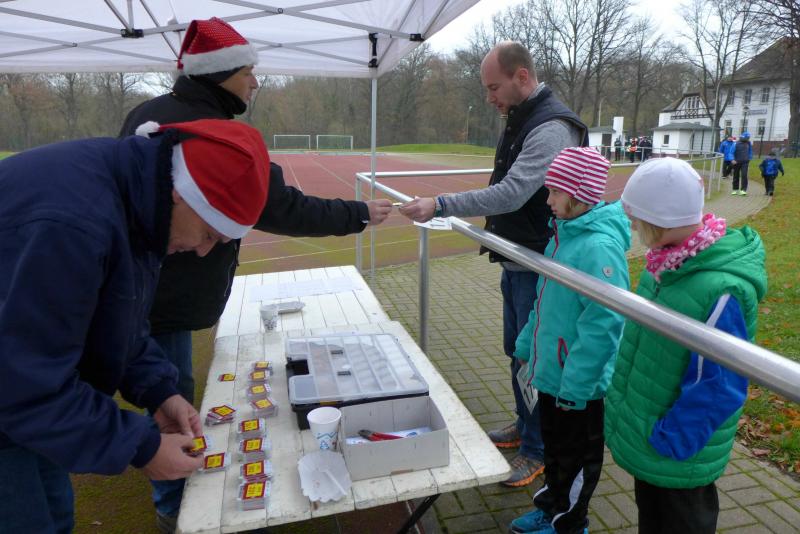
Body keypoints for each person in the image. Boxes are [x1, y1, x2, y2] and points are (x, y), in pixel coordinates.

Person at [119, 18, 392, 528]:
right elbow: (280, 206)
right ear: (221, 74)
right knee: (169, 394)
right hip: (169, 298)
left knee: (161, 386)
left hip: (141, 291)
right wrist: (357, 213)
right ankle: (178, 507)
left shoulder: (146, 113)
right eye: (248, 72)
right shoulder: (222, 135)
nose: (256, 82)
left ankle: (173, 490)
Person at [0, 118, 270, 533]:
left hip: (21, 402)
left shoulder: (141, 201)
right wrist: (142, 447)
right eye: (209, 235)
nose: (202, 251)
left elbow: (118, 320)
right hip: (12, 400)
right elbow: (25, 382)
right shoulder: (74, 224)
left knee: (54, 514)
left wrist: (159, 391)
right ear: (183, 195)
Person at [399, 41, 587, 487]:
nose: (489, 98)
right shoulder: (523, 116)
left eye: (493, 87)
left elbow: (513, 192)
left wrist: (442, 204)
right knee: (516, 351)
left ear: (521, 77)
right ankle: (526, 424)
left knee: (534, 359)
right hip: (517, 259)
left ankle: (537, 449)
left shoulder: (551, 127)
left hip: (539, 265)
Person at [605, 158, 767, 533]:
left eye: (637, 219)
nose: (633, 227)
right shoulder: (666, 264)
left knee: (680, 521)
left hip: (678, 450)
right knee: (653, 516)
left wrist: (673, 440)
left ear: (659, 220)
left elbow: (720, 383)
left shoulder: (719, 289)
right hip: (652, 434)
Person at [509, 147, 630, 534]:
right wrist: (526, 345)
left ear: (580, 194)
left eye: (555, 192)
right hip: (553, 374)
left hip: (578, 385)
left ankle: (570, 523)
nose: (548, 200)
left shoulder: (598, 248)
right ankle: (551, 508)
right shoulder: (563, 236)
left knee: (577, 457)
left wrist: (578, 383)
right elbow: (543, 300)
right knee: (556, 449)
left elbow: (604, 323)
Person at [731, 131, 753, 195]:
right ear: (743, 137)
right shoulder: (735, 143)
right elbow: (731, 152)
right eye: (747, 138)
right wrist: (732, 159)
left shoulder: (748, 143)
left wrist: (749, 158)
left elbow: (750, 151)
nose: (748, 139)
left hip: (745, 162)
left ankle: (743, 190)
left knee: (744, 175)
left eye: (748, 138)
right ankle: (735, 189)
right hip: (736, 162)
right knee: (736, 175)